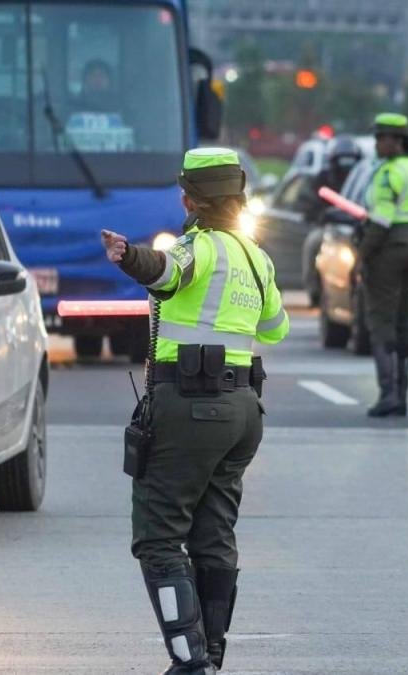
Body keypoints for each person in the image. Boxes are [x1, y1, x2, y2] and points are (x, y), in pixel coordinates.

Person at [101, 148, 289, 674]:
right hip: (243, 412)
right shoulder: (256, 257)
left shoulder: (199, 247)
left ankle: (189, 661)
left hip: (191, 407)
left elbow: (164, 271)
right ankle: (210, 657)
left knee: (158, 538)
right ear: (239, 196)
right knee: (213, 535)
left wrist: (128, 256)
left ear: (189, 199)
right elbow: (276, 328)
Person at [359, 113, 408, 417]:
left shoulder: (389, 173)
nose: (377, 143)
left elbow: (382, 219)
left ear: (398, 141)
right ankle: (401, 395)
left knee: (381, 319)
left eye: (381, 137)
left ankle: (388, 393)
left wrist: (362, 254)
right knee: (402, 319)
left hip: (390, 246)